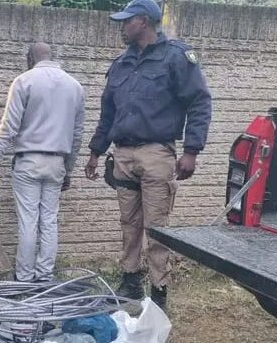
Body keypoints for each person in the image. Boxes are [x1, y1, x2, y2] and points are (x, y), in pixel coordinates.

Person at [84, 0, 212, 309]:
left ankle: (158, 291)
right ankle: (130, 283)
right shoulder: (120, 64)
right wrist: (95, 151)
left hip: (156, 153)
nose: (121, 27)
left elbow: (199, 102)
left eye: (126, 21)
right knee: (128, 223)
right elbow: (107, 113)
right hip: (123, 154)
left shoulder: (176, 57)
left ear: (142, 21)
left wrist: (192, 151)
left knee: (157, 228)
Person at [0, 43, 85, 282]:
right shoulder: (75, 87)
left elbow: (9, 126)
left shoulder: (24, 81)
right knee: (49, 221)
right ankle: (44, 277)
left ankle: (24, 278)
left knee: (28, 221)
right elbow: (77, 135)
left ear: (30, 57)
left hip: (28, 161)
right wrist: (68, 170)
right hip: (57, 163)